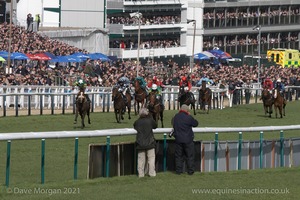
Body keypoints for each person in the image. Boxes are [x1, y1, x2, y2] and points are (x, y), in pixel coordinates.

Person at [171, 104, 198, 175]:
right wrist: (189, 115)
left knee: (178, 156)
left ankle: (178, 171)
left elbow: (173, 123)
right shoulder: (188, 117)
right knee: (190, 156)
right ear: (187, 110)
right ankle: (190, 171)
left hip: (178, 139)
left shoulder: (176, 117)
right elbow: (196, 123)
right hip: (188, 140)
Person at [133, 107, 158, 178]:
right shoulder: (150, 120)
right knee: (151, 159)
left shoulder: (137, 122)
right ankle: (151, 173)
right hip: (150, 142)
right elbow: (155, 126)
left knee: (141, 160)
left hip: (140, 143)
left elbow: (134, 126)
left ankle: (141, 174)